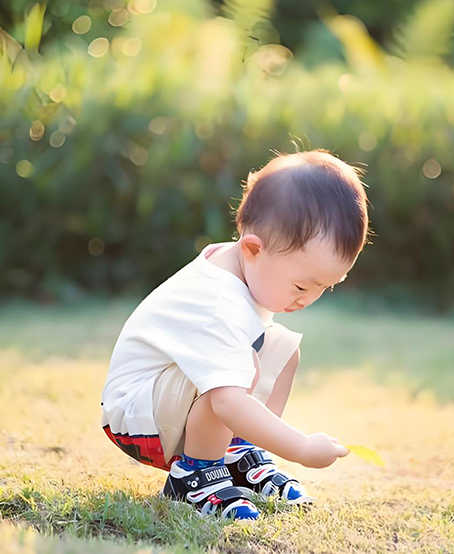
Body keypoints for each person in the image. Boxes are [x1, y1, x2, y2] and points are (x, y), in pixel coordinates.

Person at [101, 148, 370, 520]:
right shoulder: (216, 303)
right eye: (302, 286)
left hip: (166, 404)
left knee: (282, 350)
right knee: (231, 380)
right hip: (135, 417)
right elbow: (227, 402)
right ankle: (194, 475)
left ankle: (236, 452)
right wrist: (303, 448)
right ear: (253, 249)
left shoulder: (243, 266)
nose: (310, 299)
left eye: (327, 286)